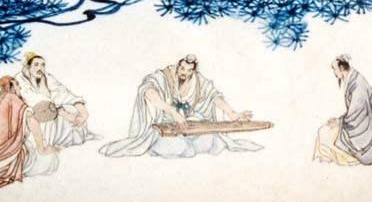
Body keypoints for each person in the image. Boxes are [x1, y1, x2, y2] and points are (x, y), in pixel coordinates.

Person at [99, 54, 262, 158]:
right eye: (182, 68)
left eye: (189, 70)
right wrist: (172, 112)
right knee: (183, 148)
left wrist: (232, 113)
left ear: (193, 71)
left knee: (208, 140)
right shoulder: (162, 77)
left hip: (187, 125)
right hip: (165, 126)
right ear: (178, 67)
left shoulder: (197, 81)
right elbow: (148, 91)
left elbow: (213, 96)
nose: (184, 72)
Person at [15, 53, 97, 148]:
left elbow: (61, 92)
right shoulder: (20, 79)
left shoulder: (46, 77)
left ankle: (75, 138)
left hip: (52, 108)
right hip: (33, 114)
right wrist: (65, 114)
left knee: (72, 109)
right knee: (52, 117)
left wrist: (83, 111)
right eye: (36, 65)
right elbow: (36, 102)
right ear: (28, 67)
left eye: (43, 65)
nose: (40, 68)